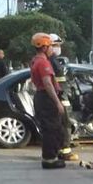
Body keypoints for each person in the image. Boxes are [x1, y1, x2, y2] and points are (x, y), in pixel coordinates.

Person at [28, 33, 66, 169]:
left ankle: (51, 157)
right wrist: (57, 102)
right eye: (50, 46)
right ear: (44, 47)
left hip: (41, 97)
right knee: (52, 129)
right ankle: (50, 159)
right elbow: (48, 84)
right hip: (46, 98)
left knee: (50, 129)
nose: (52, 49)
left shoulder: (35, 60)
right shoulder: (43, 62)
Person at [49, 33, 78, 161]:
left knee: (60, 125)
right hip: (61, 98)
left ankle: (59, 149)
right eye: (55, 45)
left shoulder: (52, 60)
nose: (58, 48)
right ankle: (65, 152)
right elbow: (59, 83)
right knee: (65, 125)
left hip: (58, 97)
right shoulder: (52, 61)